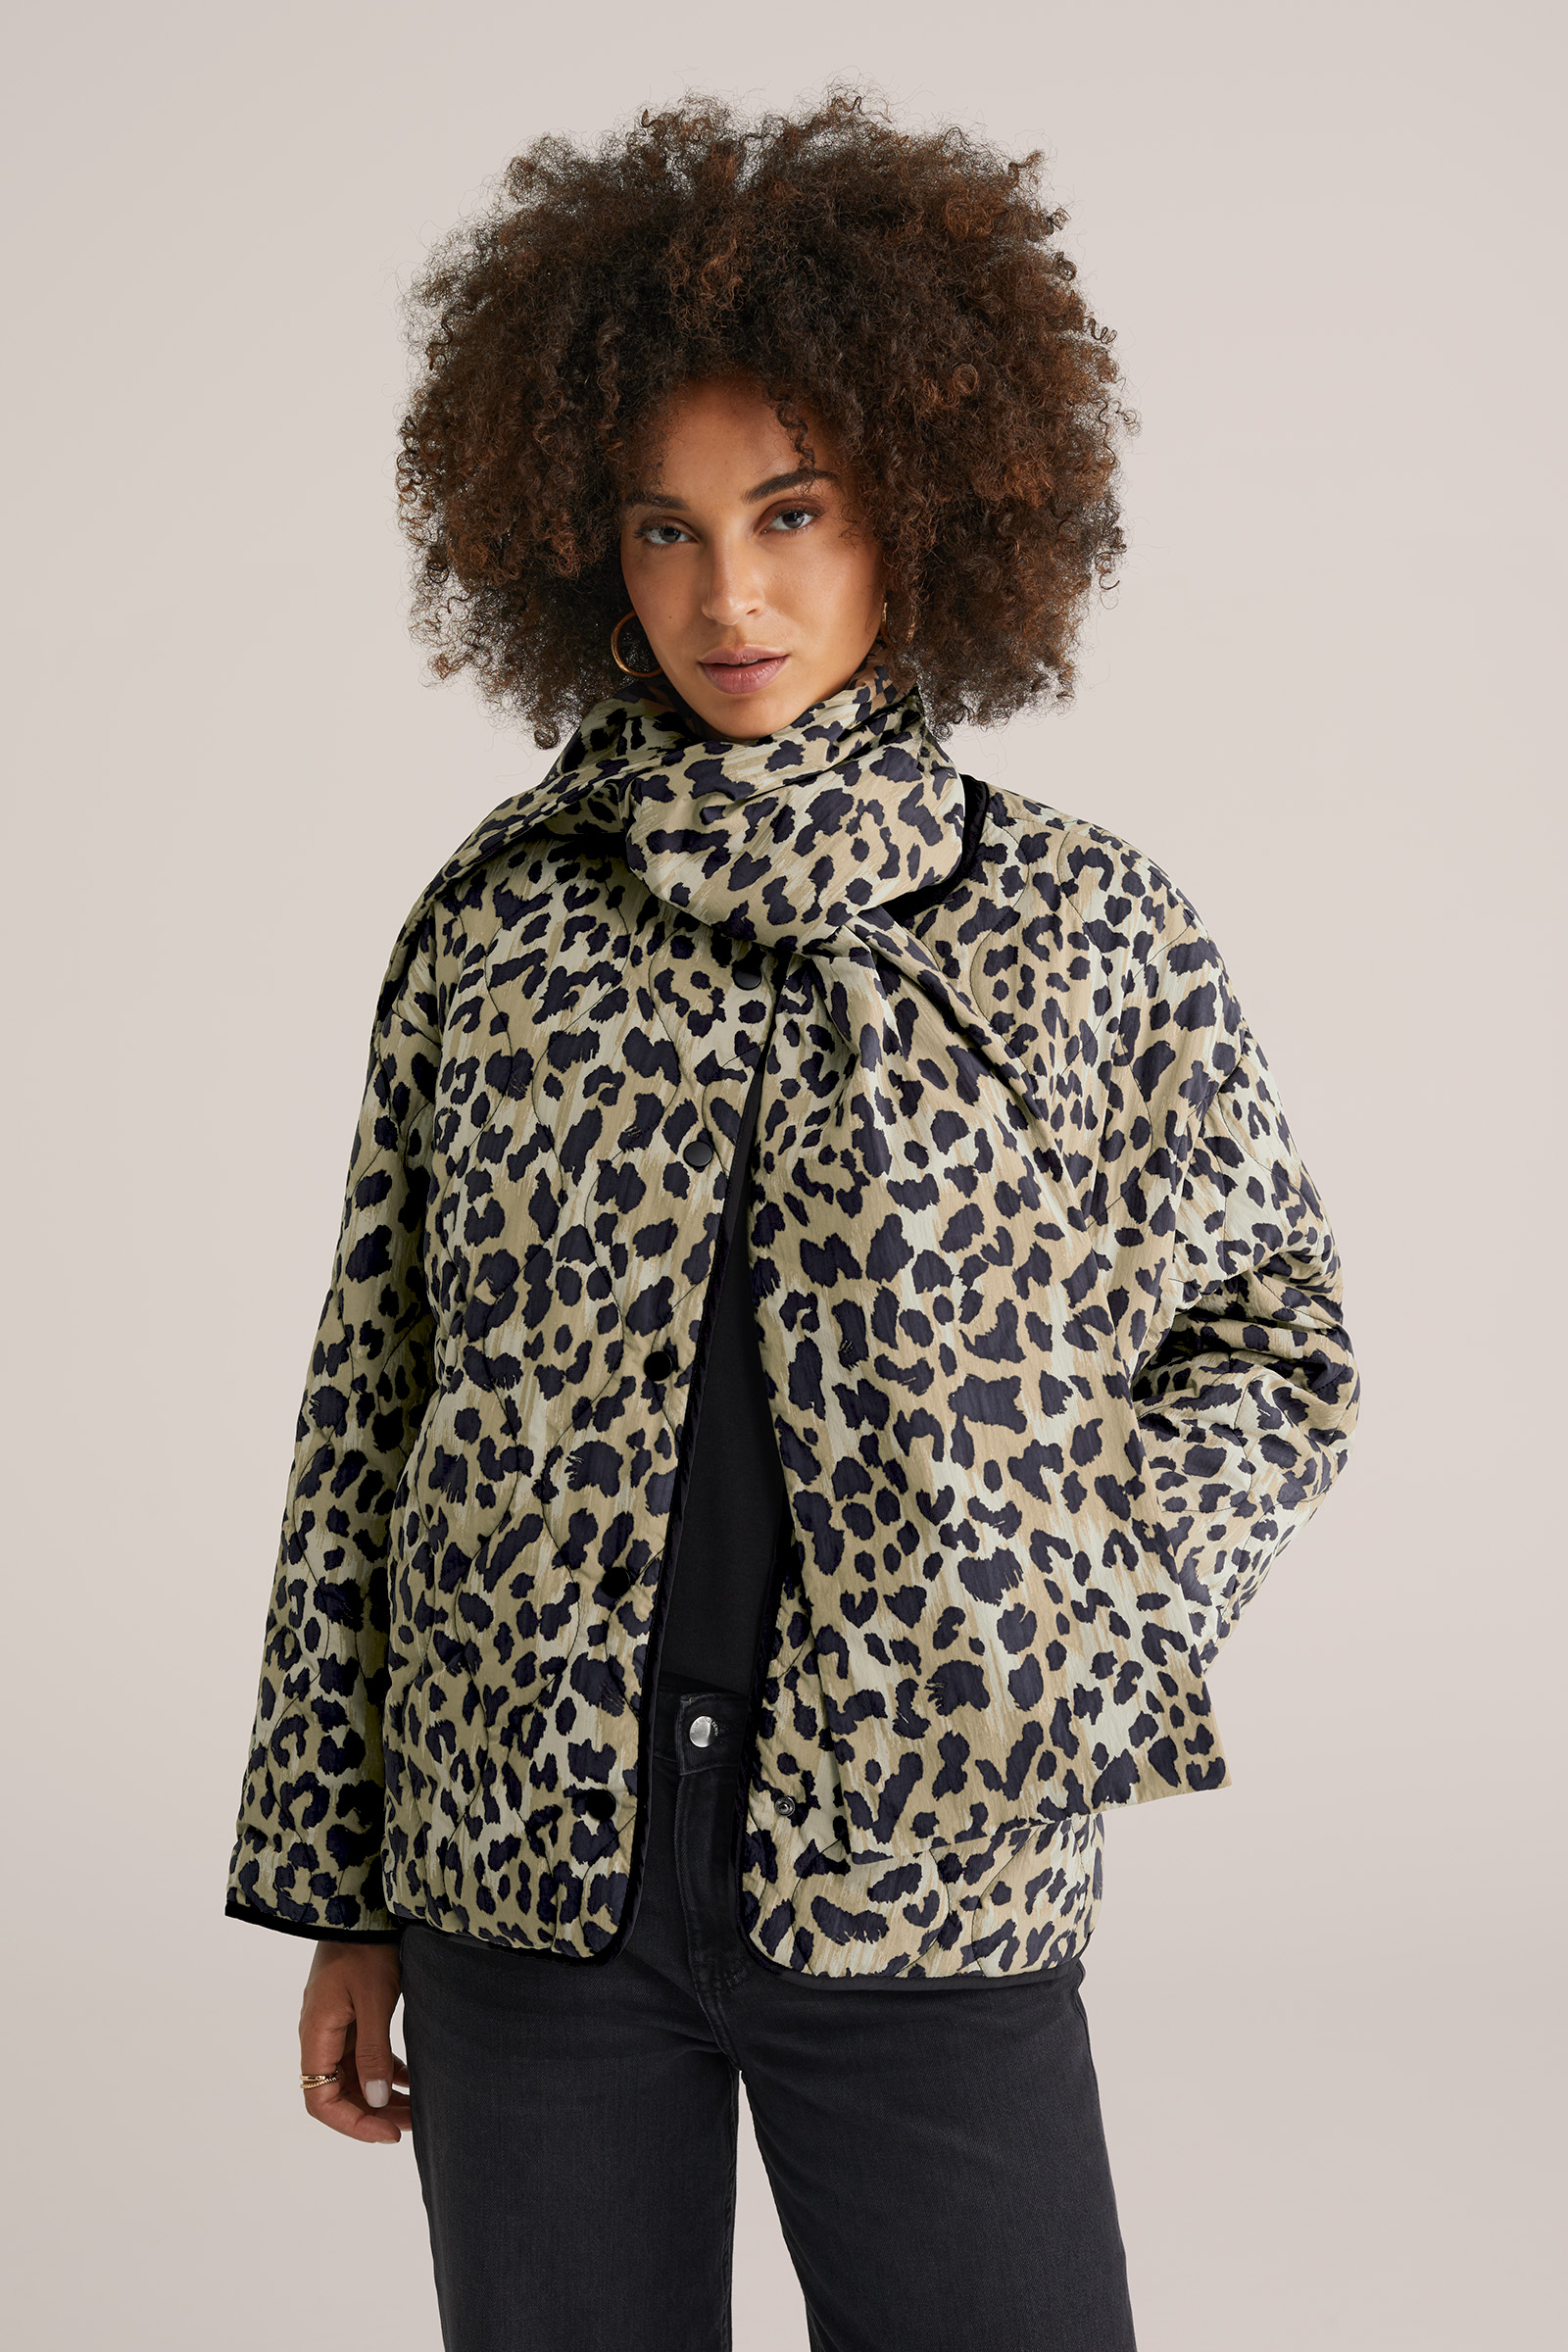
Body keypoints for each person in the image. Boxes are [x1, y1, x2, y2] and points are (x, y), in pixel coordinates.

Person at [226, 89, 1361, 2352]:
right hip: (521, 1881)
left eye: (789, 512)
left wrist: (1063, 1620)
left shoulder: (1075, 924)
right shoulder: (497, 925)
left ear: (915, 515)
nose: (724, 598)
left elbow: (1270, 1335)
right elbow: (369, 1407)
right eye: (661, 528)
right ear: (581, 546)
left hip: (926, 1868)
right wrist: (340, 1886)